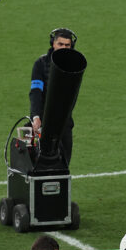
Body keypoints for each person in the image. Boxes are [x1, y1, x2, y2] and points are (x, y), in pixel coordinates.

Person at [29, 28, 76, 164]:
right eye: (60, 44)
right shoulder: (40, 64)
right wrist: (36, 116)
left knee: (64, 166)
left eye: (67, 45)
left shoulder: (74, 66)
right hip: (41, 121)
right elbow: (36, 92)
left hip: (64, 123)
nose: (63, 48)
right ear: (53, 44)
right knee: (36, 165)